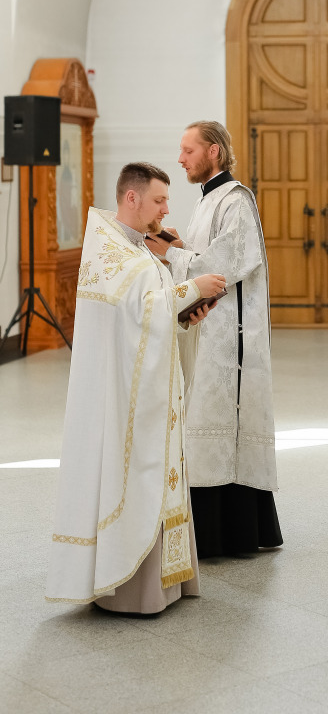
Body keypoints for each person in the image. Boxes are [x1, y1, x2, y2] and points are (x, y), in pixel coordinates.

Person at [46, 162, 226, 613]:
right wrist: (191, 289)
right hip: (123, 400)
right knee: (138, 473)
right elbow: (139, 313)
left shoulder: (137, 249)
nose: (167, 208)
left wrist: (185, 318)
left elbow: (147, 318)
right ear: (132, 198)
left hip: (147, 390)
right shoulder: (112, 253)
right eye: (160, 199)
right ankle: (131, 589)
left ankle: (166, 583)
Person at [146, 121, 281, 558]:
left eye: (188, 151)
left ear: (214, 154)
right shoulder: (208, 201)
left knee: (221, 420)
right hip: (208, 328)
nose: (181, 159)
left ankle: (233, 534)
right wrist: (182, 246)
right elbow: (202, 255)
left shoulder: (236, 198)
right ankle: (213, 531)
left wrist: (172, 252)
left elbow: (228, 263)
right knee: (203, 420)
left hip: (230, 337)